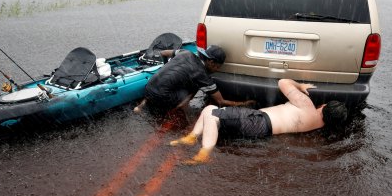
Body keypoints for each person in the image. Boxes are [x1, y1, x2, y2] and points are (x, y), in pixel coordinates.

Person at [170, 78, 349, 165]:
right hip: (261, 130)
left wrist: (300, 86)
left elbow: (283, 82)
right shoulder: (319, 124)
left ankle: (204, 153)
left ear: (324, 106)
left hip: (258, 120)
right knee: (209, 109)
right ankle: (192, 136)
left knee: (212, 115)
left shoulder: (307, 105)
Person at [134, 45, 253, 115]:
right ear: (211, 62)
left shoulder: (185, 52)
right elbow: (221, 102)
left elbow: (163, 53)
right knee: (196, 86)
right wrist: (243, 104)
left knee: (164, 82)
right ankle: (179, 106)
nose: (216, 70)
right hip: (162, 97)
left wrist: (165, 67)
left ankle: (141, 105)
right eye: (217, 67)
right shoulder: (202, 76)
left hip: (149, 88)